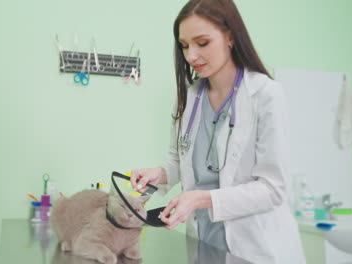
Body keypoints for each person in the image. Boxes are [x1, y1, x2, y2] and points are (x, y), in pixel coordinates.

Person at [130, 0, 306, 263]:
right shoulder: (190, 98)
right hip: (205, 245)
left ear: (230, 37)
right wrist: (161, 173)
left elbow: (272, 189)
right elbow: (181, 160)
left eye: (202, 43)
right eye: (185, 45)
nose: (191, 56)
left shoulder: (265, 95)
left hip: (257, 248)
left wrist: (203, 199)